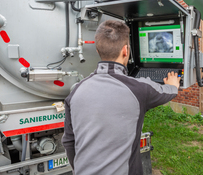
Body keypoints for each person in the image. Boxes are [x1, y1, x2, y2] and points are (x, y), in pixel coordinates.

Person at [62, 20, 181, 175]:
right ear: (126, 50)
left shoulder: (76, 91)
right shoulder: (139, 89)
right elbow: (168, 92)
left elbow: (69, 142)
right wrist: (173, 84)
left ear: (98, 51)